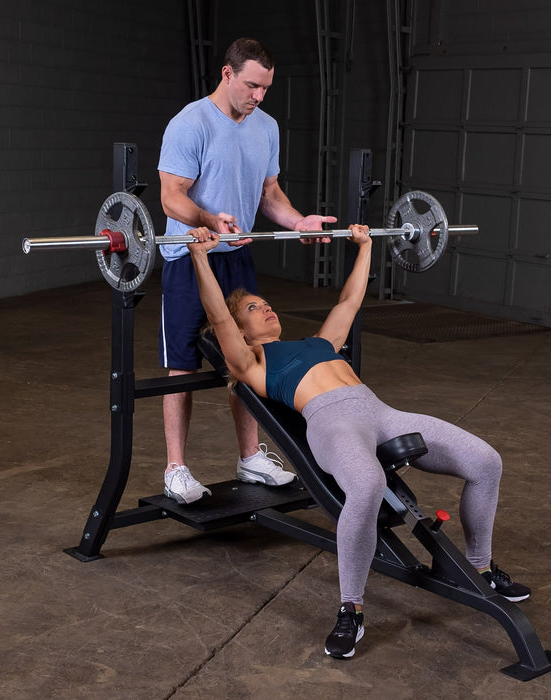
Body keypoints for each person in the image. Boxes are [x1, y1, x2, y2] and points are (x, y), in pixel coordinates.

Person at [185, 224, 532, 660]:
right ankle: (351, 608)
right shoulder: (251, 362)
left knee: (486, 461)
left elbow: (349, 301)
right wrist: (199, 256)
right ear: (239, 330)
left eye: (266, 302)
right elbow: (218, 317)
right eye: (254, 308)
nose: (267, 307)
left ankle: (480, 567)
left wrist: (365, 246)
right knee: (366, 485)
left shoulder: (319, 343)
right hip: (332, 425)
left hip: (381, 413)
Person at [157, 37, 336, 504]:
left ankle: (250, 456)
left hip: (237, 256)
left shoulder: (266, 127)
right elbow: (171, 196)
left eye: (266, 88)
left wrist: (298, 222)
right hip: (190, 254)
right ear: (227, 74)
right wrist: (206, 218)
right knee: (182, 365)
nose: (258, 96)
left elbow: (269, 194)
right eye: (252, 85)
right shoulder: (190, 123)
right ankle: (176, 468)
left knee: (251, 357)